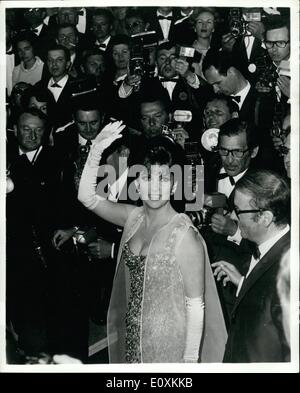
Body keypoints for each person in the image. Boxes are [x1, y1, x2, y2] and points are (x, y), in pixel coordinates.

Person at [78, 123, 227, 363]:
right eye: (148, 178)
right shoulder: (132, 217)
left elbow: (196, 306)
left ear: (175, 185)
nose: (155, 187)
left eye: (164, 178)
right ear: (137, 185)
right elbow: (86, 197)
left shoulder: (184, 234)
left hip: (170, 343)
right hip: (133, 335)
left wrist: (188, 362)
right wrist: (96, 149)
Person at [212, 169, 290, 362]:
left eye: (238, 211)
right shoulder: (267, 249)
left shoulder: (288, 270)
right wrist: (243, 284)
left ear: (265, 218)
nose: (232, 216)